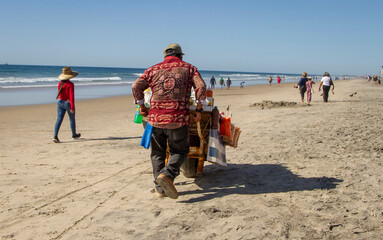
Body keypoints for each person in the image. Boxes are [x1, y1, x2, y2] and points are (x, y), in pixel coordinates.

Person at [132, 43, 206, 199]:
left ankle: (159, 189)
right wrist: (199, 107)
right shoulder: (189, 68)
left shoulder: (152, 69)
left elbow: (136, 86)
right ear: (180, 55)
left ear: (165, 56)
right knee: (180, 151)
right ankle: (167, 174)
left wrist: (141, 106)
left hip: (155, 119)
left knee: (157, 153)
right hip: (177, 119)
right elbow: (201, 86)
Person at [53, 67, 81, 143]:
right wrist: (72, 107)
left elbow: (60, 94)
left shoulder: (60, 83)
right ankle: (74, 134)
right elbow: (71, 96)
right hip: (67, 103)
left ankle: (55, 136)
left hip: (60, 102)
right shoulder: (70, 84)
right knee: (72, 119)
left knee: (59, 119)